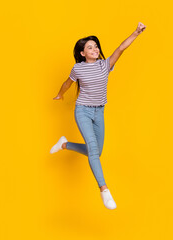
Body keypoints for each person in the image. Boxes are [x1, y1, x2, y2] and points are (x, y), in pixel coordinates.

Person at [50, 22, 147, 210]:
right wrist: (60, 94)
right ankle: (104, 190)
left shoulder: (105, 65)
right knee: (93, 151)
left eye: (95, 46)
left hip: (99, 111)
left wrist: (136, 32)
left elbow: (121, 48)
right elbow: (67, 83)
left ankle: (64, 144)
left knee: (96, 151)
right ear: (82, 53)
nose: (94, 49)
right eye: (89, 47)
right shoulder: (78, 69)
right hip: (83, 111)